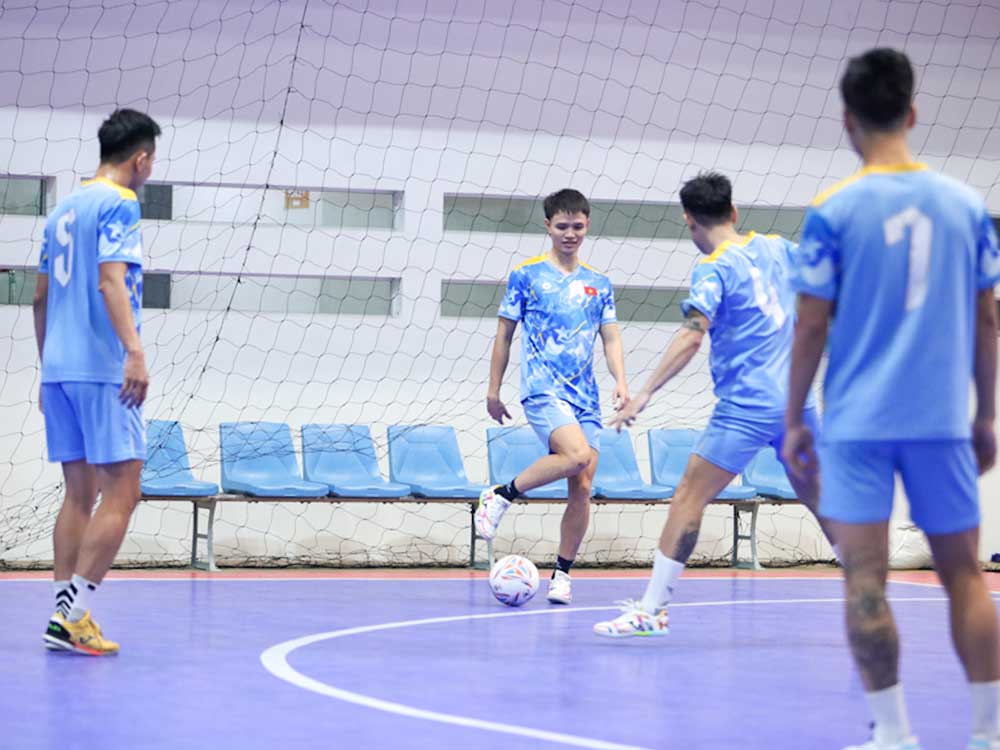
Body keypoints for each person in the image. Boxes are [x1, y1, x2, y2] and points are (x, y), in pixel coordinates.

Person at [783, 48, 1000, 750]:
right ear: (912, 112)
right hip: (940, 421)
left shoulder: (833, 211)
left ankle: (894, 736)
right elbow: (988, 318)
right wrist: (986, 413)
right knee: (965, 576)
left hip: (857, 426)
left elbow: (810, 325)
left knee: (866, 580)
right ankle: (989, 735)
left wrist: (794, 420)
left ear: (847, 119)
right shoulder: (967, 207)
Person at [592, 171, 835, 638]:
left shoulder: (713, 268)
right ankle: (869, 592)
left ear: (689, 221)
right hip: (798, 405)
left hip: (747, 408)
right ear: (734, 211)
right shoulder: (779, 248)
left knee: (688, 496)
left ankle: (652, 611)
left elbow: (692, 336)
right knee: (824, 499)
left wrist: (644, 393)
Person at [34, 108, 160, 655]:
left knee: (79, 495)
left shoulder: (61, 208)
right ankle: (71, 618)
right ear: (141, 159)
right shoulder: (121, 202)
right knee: (124, 491)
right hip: (102, 370)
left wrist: (48, 370)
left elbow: (40, 298)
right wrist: (134, 352)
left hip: (59, 369)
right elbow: (111, 282)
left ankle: (64, 615)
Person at [476, 188, 629, 605]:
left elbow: (610, 338)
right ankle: (502, 494)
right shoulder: (526, 276)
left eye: (577, 226)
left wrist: (620, 380)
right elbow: (504, 336)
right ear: (548, 226)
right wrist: (494, 389)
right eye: (562, 226)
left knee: (582, 486)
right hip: (543, 388)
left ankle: (562, 574)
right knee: (576, 455)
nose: (570, 233)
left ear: (587, 225)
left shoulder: (599, 284)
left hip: (585, 397)